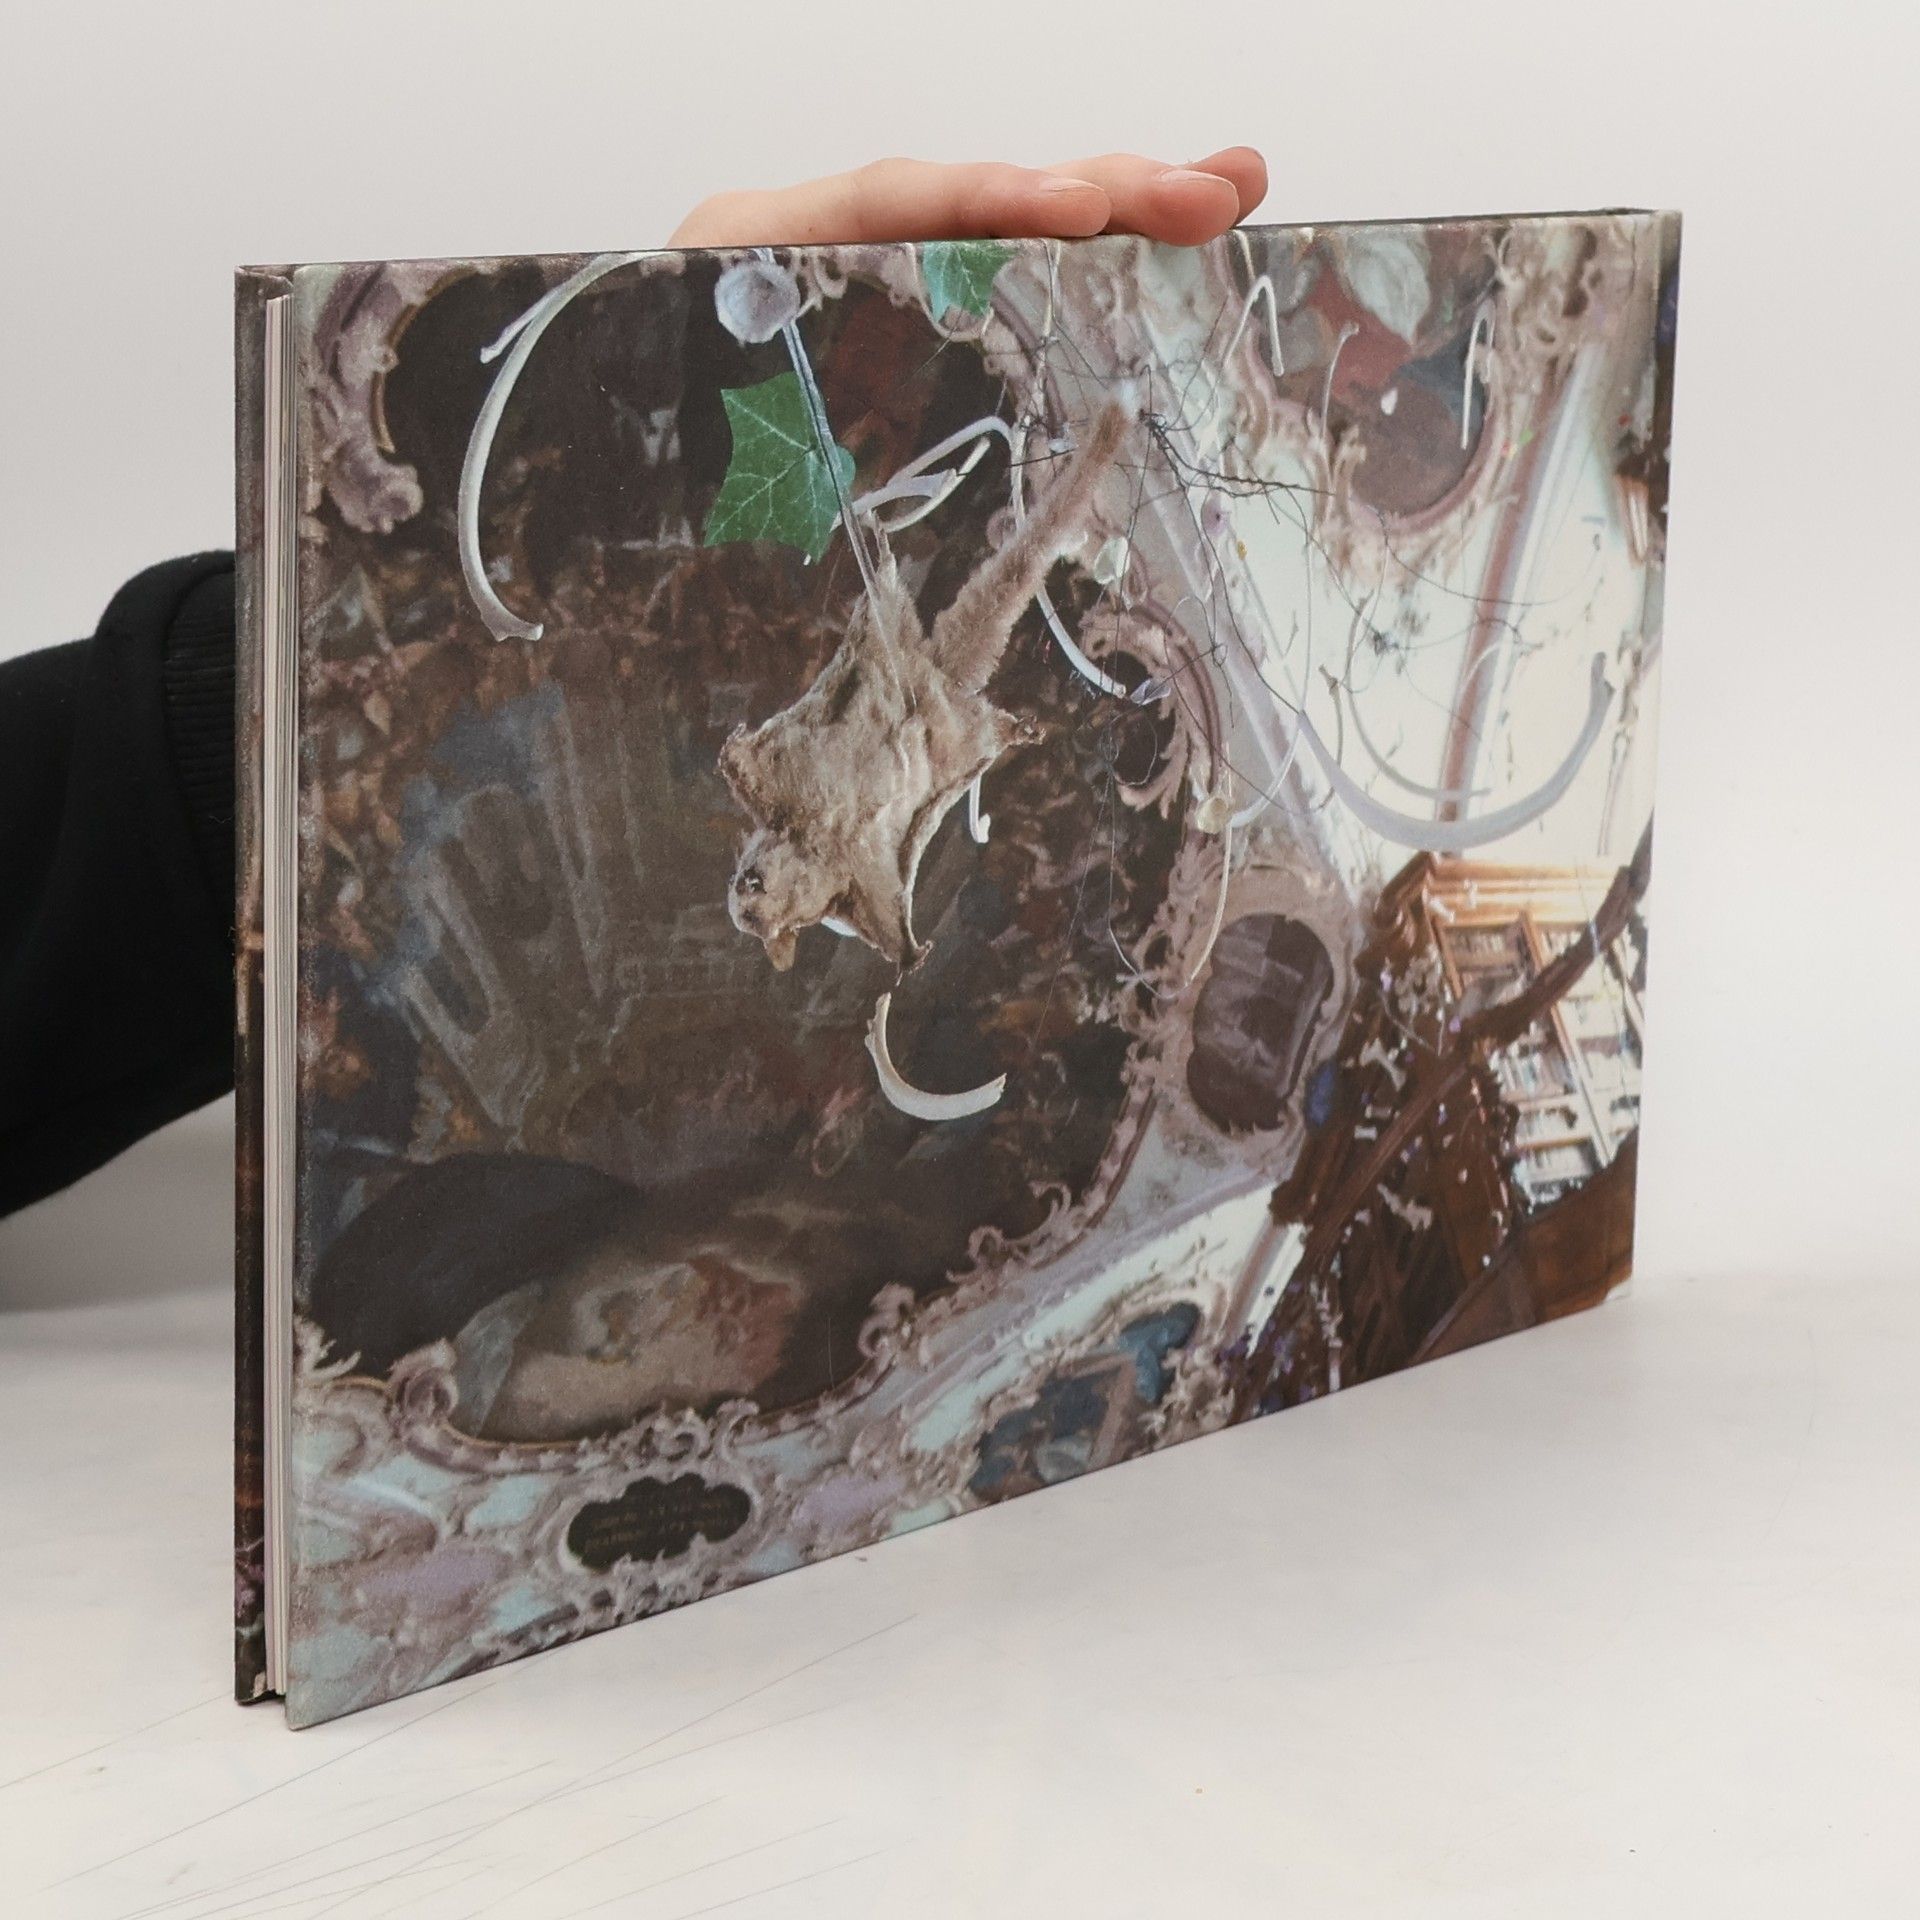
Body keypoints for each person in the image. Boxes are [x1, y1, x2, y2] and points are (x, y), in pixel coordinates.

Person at [0, 148, 1268, 1218]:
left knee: (1009, 562)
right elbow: (879, 890)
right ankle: (1092, 457)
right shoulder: (841, 867)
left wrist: (284, 697)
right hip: (929, 703)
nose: (756, 884)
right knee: (1014, 568)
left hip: (903, 678)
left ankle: (1086, 453)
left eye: (748, 887)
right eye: (764, 897)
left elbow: (785, 744)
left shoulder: (785, 806)